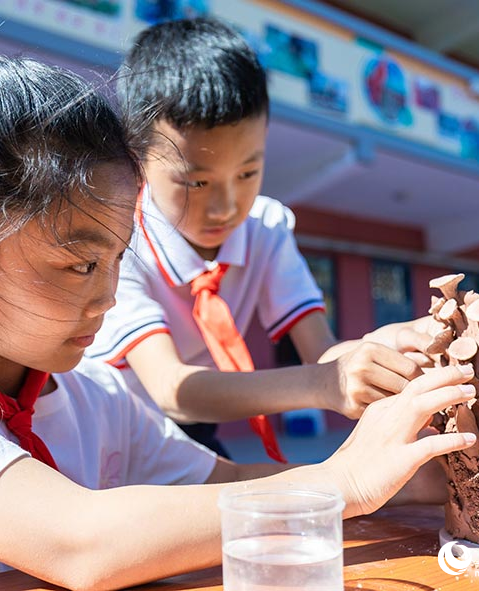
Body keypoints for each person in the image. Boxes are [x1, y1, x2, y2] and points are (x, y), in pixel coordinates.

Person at [0, 50, 476, 591]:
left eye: (118, 259)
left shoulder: (94, 397)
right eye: (80, 265)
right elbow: (81, 541)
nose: (108, 295)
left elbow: (225, 488)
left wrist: (402, 475)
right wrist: (343, 483)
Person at [86, 17, 432, 460]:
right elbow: (172, 388)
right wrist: (325, 383)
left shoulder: (264, 227)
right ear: (137, 160)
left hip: (192, 431)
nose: (226, 207)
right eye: (196, 182)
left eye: (248, 173)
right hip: (105, 433)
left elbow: (322, 354)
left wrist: (381, 349)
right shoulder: (119, 240)